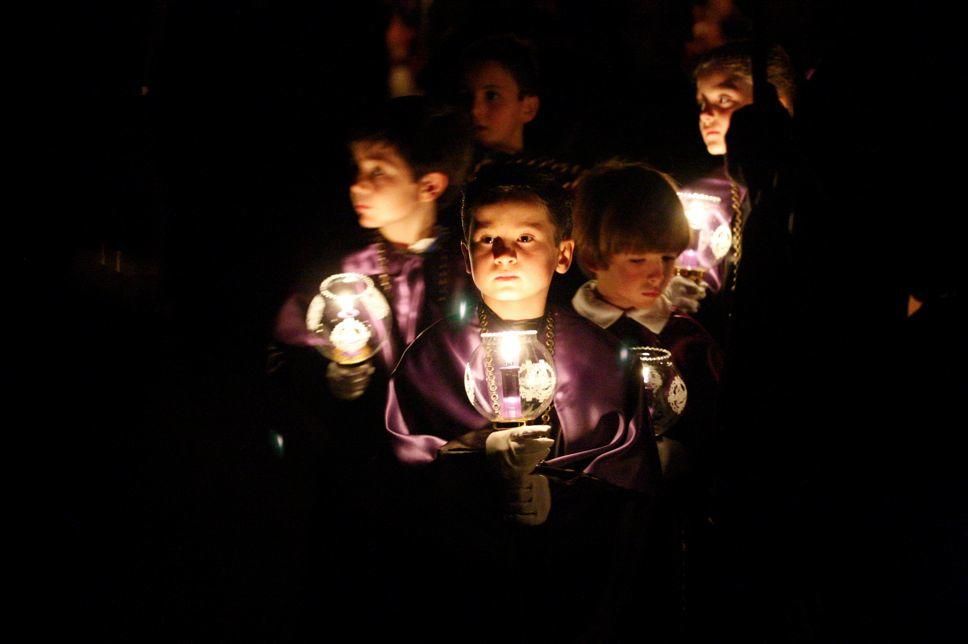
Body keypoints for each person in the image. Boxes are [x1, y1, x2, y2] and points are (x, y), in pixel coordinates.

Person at [385, 163, 661, 641]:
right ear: (467, 257)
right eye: (488, 239)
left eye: (527, 238)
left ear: (563, 254)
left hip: (573, 597)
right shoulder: (431, 358)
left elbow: (632, 485)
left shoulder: (604, 358)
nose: (506, 254)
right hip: (462, 599)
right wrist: (472, 462)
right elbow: (395, 476)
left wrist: (560, 494)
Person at [570, 160, 723, 637]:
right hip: (586, 536)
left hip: (669, 536)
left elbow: (720, 432)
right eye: (638, 260)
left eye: (667, 258)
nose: (657, 274)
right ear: (594, 257)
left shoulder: (688, 340)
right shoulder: (566, 338)